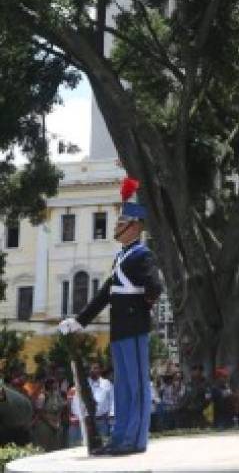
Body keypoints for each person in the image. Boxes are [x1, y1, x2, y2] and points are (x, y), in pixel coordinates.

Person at [58, 176, 164, 455]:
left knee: (137, 385)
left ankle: (134, 440)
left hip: (134, 325)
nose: (116, 227)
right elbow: (106, 293)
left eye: (121, 223)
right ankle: (119, 438)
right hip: (119, 328)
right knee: (123, 387)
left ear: (135, 226)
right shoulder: (121, 258)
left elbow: (155, 285)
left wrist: (144, 305)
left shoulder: (142, 255)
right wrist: (80, 320)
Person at [86, 363, 115, 441]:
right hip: (88, 421)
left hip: (102, 420)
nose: (94, 370)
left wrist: (112, 414)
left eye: (96, 368)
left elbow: (112, 399)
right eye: (92, 368)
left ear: (100, 370)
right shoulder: (84, 384)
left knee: (104, 441)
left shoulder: (106, 383)